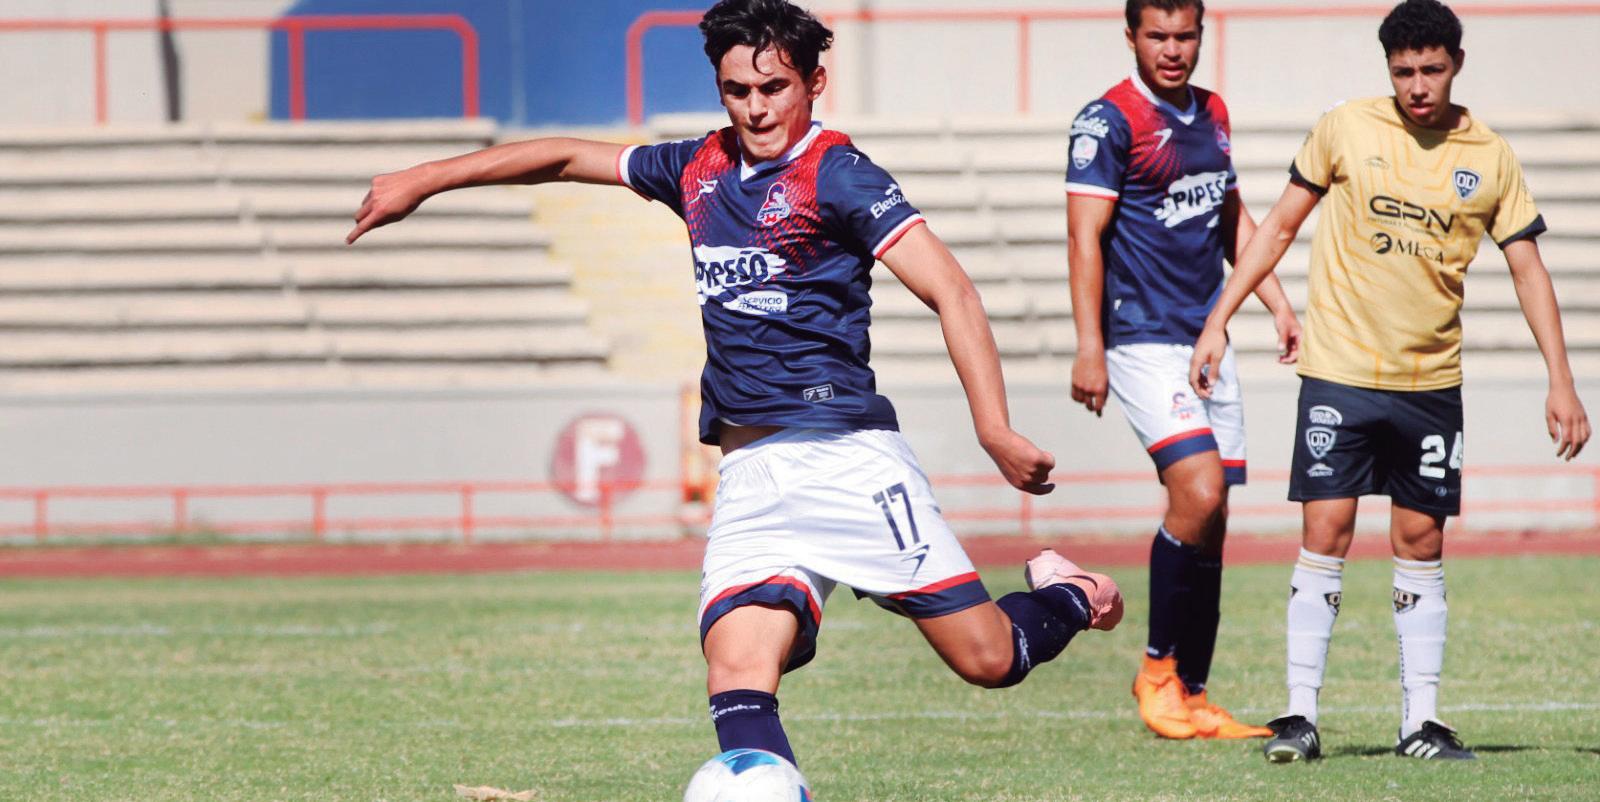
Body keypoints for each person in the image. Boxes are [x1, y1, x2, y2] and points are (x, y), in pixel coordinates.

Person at [347, 0, 1123, 771]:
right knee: (737, 671)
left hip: (846, 459)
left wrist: (993, 427)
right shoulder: (698, 167)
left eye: (774, 88)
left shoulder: (840, 175)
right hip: (751, 475)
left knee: (989, 659)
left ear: (814, 82)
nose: (756, 108)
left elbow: (952, 289)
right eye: (737, 90)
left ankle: (1071, 592)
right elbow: (563, 159)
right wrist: (427, 177)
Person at [1188, 0, 1590, 762]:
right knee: (1325, 532)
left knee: (1420, 541)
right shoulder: (1346, 127)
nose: (1417, 86)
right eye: (1404, 72)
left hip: (1430, 382)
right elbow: (1277, 227)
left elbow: (1528, 270)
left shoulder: (1491, 156)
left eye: (1431, 69)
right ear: (1389, 70)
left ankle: (1420, 724)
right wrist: (1219, 320)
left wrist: (1561, 380)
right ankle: (1299, 716)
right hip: (1339, 372)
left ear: (1457, 64)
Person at [1065, 0, 1299, 740]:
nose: (1172, 49)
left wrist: (1278, 304)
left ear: (1202, 34)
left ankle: (1193, 695)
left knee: (1215, 517)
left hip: (1207, 342)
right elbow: (1084, 236)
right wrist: (1089, 344)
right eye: (1157, 36)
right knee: (1196, 491)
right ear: (1131, 36)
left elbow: (1231, 217)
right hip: (1140, 336)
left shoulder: (1212, 112)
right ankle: (1156, 672)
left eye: (1185, 35)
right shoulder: (1109, 121)